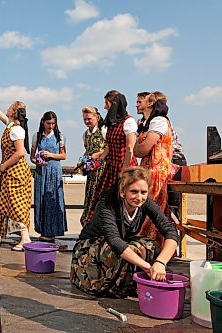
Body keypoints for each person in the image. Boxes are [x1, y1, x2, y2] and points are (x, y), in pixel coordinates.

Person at [70, 167, 179, 298]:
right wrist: (149, 267)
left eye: (143, 192)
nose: (139, 197)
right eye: (134, 192)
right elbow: (114, 241)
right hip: (90, 248)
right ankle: (111, 286)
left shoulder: (146, 203)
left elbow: (170, 231)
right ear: (123, 192)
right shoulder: (106, 203)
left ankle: (130, 283)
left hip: (118, 244)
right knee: (123, 249)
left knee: (151, 245)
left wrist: (160, 262)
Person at [85, 90, 138, 224]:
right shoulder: (113, 123)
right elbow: (109, 145)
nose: (104, 107)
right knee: (103, 199)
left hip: (124, 168)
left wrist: (124, 169)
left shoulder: (128, 122)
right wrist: (101, 158)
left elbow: (130, 147)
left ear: (113, 104)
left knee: (122, 201)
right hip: (111, 167)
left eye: (106, 103)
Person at [0, 100, 32, 251]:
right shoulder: (11, 125)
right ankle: (23, 237)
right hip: (11, 172)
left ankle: (25, 238)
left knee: (17, 204)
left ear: (13, 112)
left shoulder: (16, 130)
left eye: (10, 106)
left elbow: (20, 153)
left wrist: (4, 165)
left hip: (15, 171)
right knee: (13, 204)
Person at [134, 92, 175, 246]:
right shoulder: (149, 122)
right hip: (148, 169)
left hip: (156, 170)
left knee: (152, 209)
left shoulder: (159, 121)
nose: (138, 103)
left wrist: (137, 148)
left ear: (151, 103)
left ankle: (152, 245)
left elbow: (142, 149)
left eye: (142, 100)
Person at [30, 111, 67, 241]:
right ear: (43, 122)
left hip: (54, 172)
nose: (51, 126)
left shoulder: (60, 136)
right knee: (41, 201)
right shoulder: (37, 136)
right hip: (41, 172)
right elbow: (32, 157)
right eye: (48, 123)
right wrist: (38, 160)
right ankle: (43, 232)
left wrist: (50, 155)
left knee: (54, 200)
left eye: (53, 123)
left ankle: (52, 232)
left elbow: (63, 156)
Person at [79, 106, 106, 226]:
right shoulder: (85, 134)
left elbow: (110, 148)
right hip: (91, 170)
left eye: (89, 119)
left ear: (97, 117)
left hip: (103, 169)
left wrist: (99, 154)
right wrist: (82, 161)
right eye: (85, 119)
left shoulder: (104, 130)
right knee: (90, 196)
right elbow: (87, 150)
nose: (87, 121)